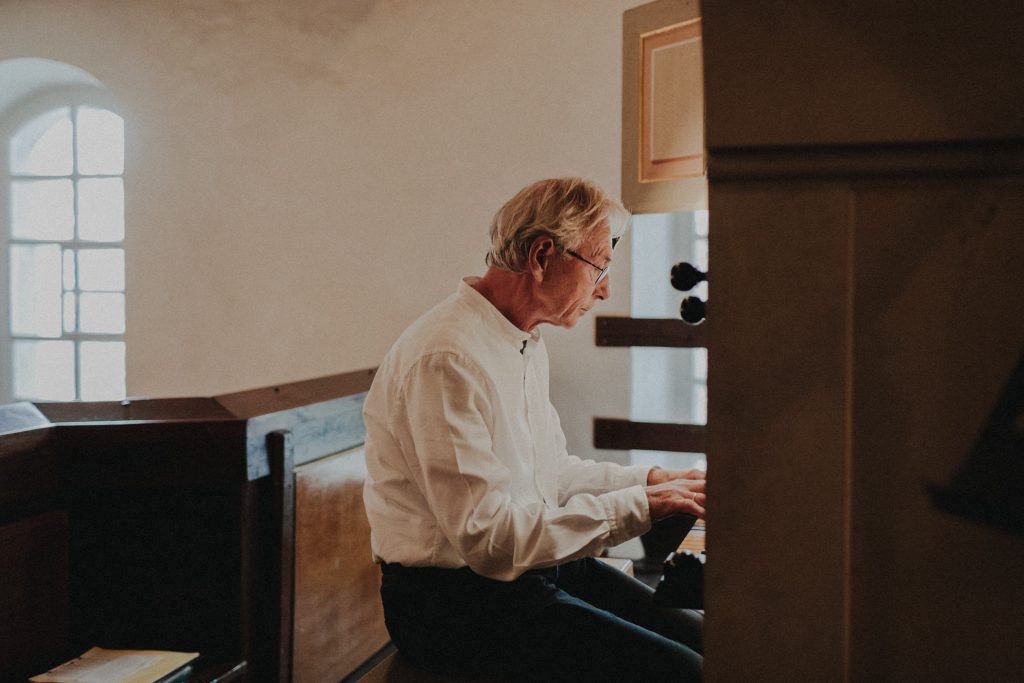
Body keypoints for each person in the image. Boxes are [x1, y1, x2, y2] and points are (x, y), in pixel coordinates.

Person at [362, 177, 706, 682]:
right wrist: (642, 508)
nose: (606, 287)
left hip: (527, 570)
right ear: (543, 255)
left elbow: (553, 474)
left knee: (705, 641)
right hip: (453, 603)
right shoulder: (446, 358)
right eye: (600, 265)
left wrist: (652, 481)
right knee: (683, 673)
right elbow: (490, 541)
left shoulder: (522, 338)